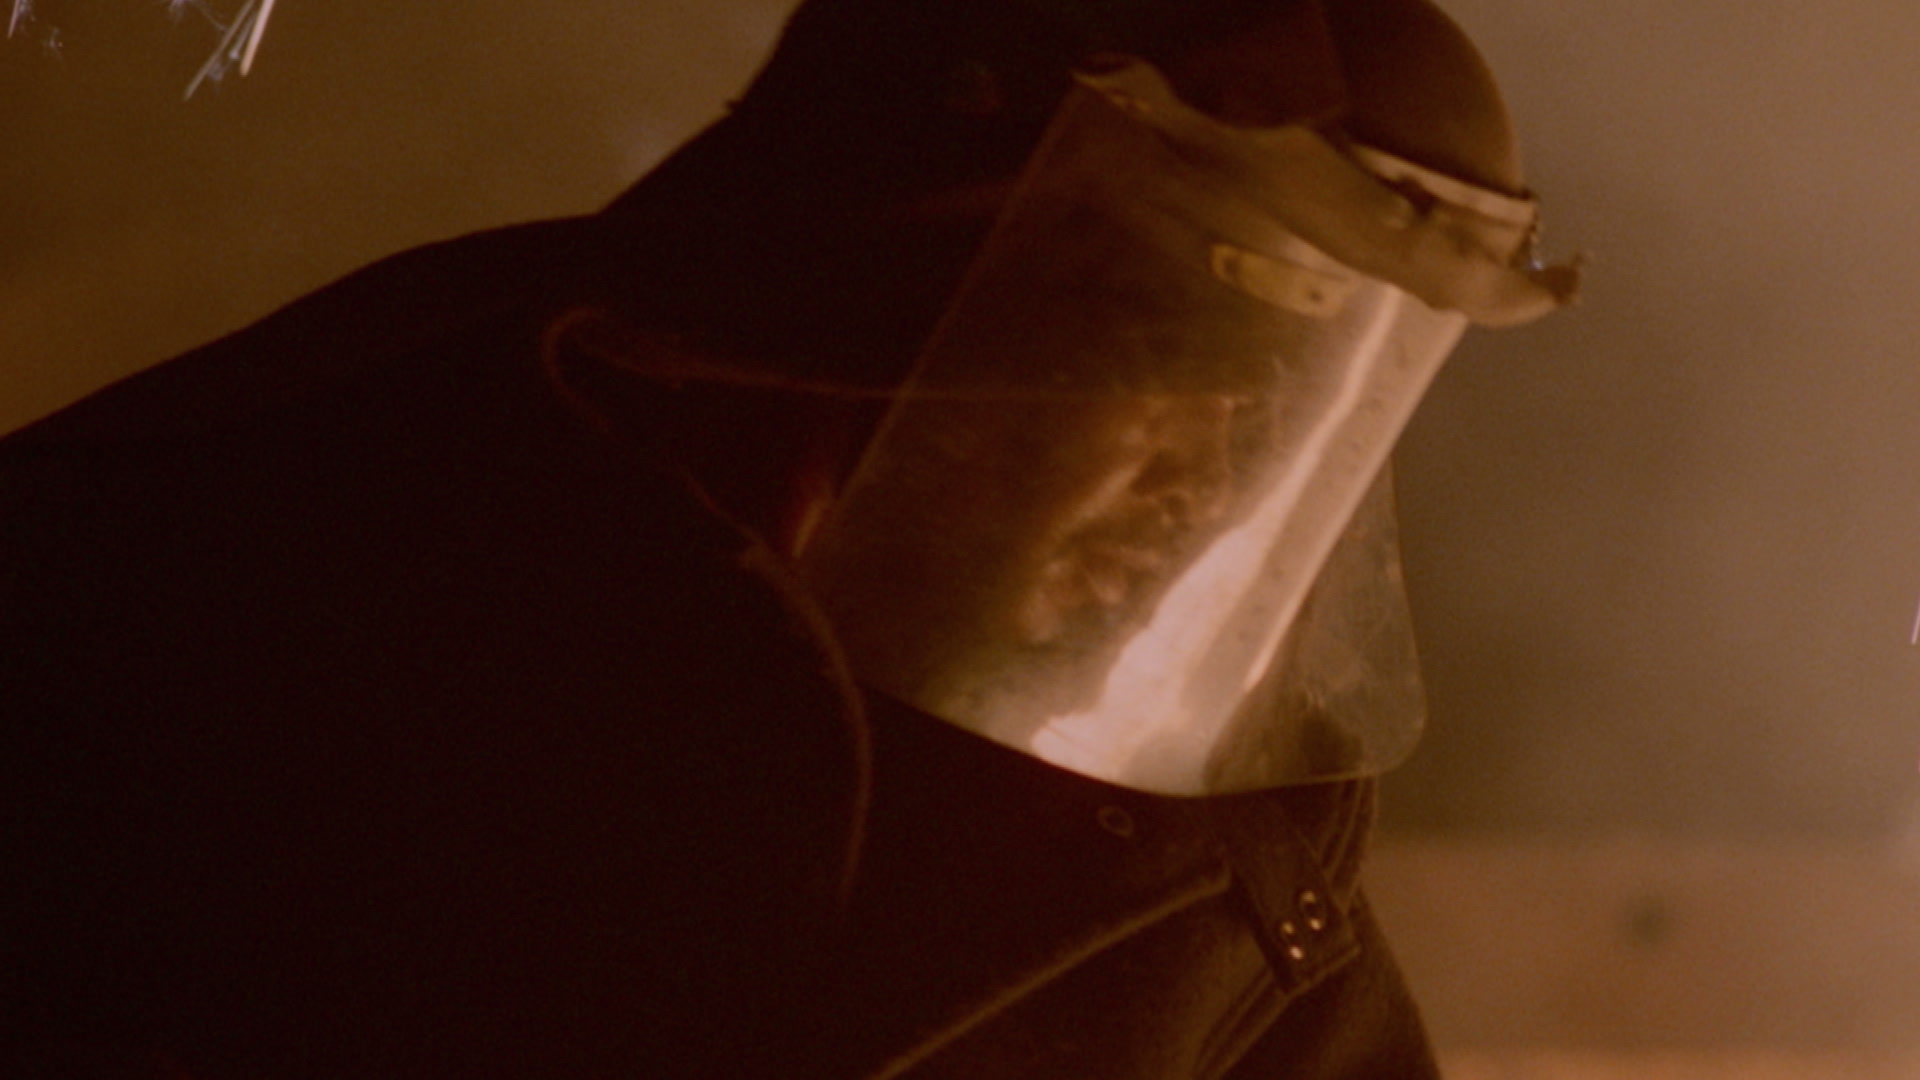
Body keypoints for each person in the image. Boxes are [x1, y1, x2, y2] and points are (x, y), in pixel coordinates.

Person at [0, 0, 1576, 1075]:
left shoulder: (1224, 895)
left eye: (1280, 418)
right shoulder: (198, 614)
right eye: (1168, 378)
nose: (1218, 481)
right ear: (903, 311)